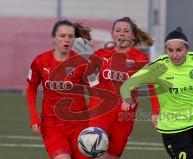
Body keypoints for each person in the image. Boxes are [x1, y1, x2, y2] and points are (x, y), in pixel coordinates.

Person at [120, 27, 193, 159]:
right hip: (174, 129)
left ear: (187, 49)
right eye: (170, 50)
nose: (174, 55)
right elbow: (127, 85)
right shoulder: (157, 67)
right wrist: (126, 98)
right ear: (166, 50)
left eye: (179, 50)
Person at [87, 17, 160, 159]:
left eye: (126, 31)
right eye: (118, 30)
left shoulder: (140, 59)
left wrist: (155, 110)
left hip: (124, 116)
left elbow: (153, 86)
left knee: (112, 155)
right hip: (100, 113)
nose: (122, 34)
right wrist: (96, 90)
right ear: (112, 34)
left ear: (132, 35)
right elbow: (89, 77)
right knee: (95, 151)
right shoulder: (100, 55)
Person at [26, 19, 92, 159]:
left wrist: (96, 122)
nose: (66, 40)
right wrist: (34, 118)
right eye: (62, 36)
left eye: (70, 36)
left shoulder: (82, 63)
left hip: (80, 125)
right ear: (54, 38)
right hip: (52, 125)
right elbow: (31, 89)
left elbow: (95, 92)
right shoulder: (40, 61)